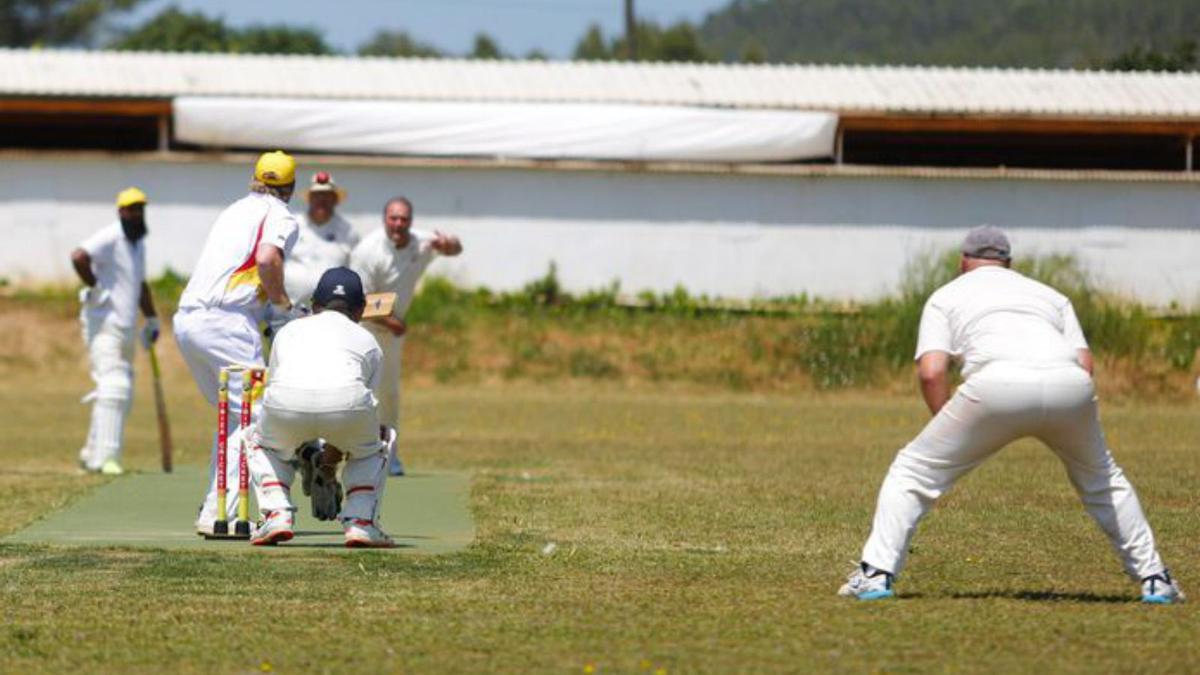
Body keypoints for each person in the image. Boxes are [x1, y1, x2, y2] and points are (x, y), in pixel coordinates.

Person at [839, 226, 1185, 604]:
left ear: (962, 263)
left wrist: (948, 419)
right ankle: (1155, 579)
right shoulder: (1051, 295)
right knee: (1104, 481)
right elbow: (1085, 364)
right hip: (1070, 383)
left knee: (912, 472)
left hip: (995, 385)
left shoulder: (946, 295)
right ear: (1009, 263)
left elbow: (932, 371)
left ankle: (875, 574)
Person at [173, 150, 304, 536]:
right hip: (226, 324)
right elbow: (267, 259)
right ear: (291, 187)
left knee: (233, 419)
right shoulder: (281, 215)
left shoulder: (234, 210)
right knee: (260, 417)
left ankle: (216, 510)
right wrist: (283, 305)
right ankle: (234, 514)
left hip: (187, 320)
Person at [247, 267, 396, 547]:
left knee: (259, 441)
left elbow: (280, 388)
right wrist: (327, 466)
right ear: (361, 309)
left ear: (315, 305)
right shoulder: (369, 341)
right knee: (379, 439)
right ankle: (361, 522)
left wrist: (313, 457)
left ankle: (277, 513)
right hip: (346, 408)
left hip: (285, 406)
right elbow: (356, 413)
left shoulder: (288, 331)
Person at [350, 196, 463, 476]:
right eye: (393, 218)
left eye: (403, 219)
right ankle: (353, 455)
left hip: (391, 334)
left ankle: (389, 457)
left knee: (390, 396)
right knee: (360, 394)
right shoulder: (368, 251)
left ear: (410, 221)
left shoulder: (421, 241)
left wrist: (450, 245)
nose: (398, 224)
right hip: (365, 330)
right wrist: (392, 322)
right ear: (384, 219)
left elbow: (455, 249)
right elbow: (359, 302)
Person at [70, 187, 160, 475]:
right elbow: (78, 256)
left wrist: (152, 318)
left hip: (127, 326)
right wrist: (95, 287)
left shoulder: (138, 243)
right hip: (103, 323)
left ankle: (90, 452)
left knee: (121, 392)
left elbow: (140, 283)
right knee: (114, 387)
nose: (136, 214)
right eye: (131, 209)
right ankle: (106, 459)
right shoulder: (110, 236)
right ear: (120, 211)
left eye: (140, 209)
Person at [283, 171, 360, 307]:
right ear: (309, 198)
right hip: (291, 309)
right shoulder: (291, 226)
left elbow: (357, 270)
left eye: (327, 195)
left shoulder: (348, 232)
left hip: (332, 310)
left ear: (335, 199)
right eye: (317, 195)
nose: (322, 200)